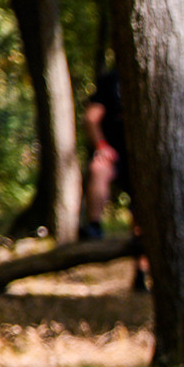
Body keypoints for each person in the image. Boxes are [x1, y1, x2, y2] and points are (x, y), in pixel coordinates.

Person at [80, 70, 128, 241]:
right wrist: (102, 146)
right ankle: (94, 226)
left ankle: (141, 267)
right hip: (114, 154)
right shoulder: (111, 81)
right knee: (98, 168)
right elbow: (91, 117)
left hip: (142, 157)